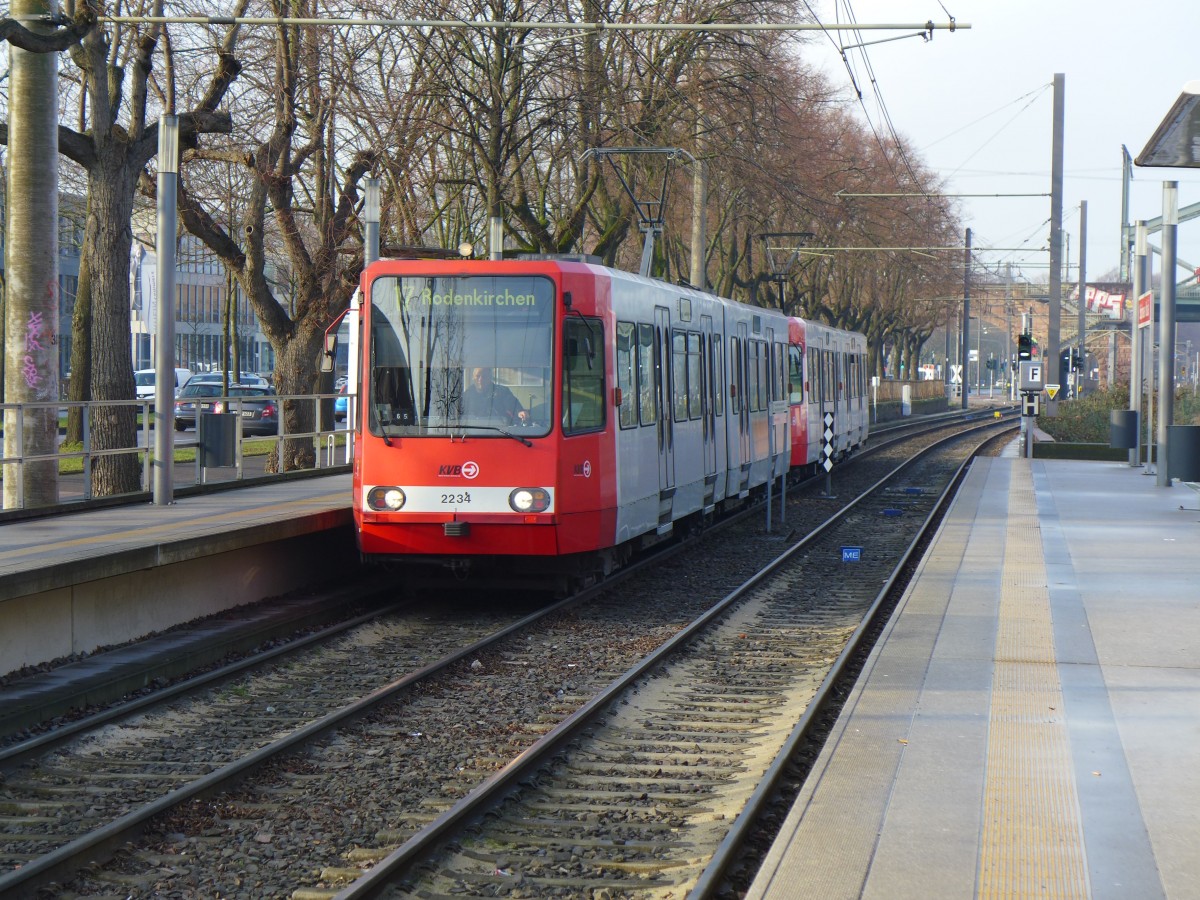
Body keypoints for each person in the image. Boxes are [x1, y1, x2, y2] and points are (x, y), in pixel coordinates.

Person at [462, 367, 528, 425]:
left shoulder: (502, 391)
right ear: (473, 378)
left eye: (484, 376)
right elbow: (459, 414)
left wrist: (519, 411)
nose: (480, 379)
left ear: (490, 378)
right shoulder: (467, 395)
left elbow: (513, 404)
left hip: (500, 432)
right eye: (478, 376)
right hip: (473, 433)